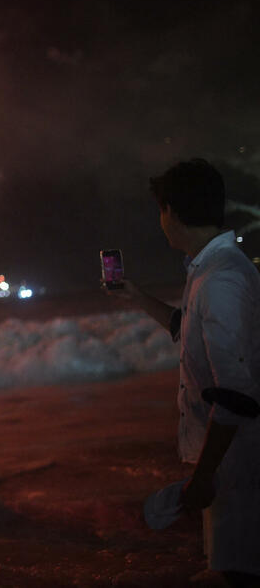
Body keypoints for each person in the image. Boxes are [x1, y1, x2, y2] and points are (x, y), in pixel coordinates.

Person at [114, 159, 260, 587]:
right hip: (232, 459)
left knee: (241, 570)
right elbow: (192, 331)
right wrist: (138, 298)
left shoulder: (220, 279)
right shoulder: (212, 270)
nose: (160, 221)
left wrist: (204, 476)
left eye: (161, 210)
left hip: (239, 461)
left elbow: (235, 394)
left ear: (173, 212)